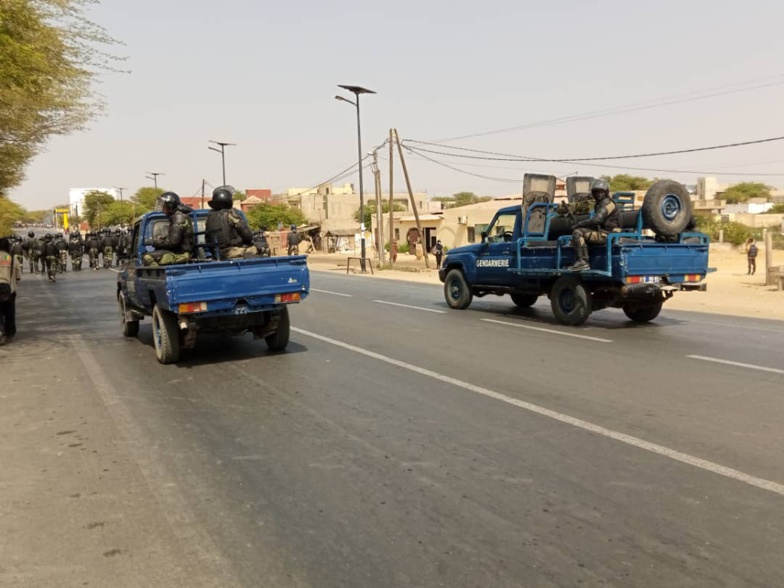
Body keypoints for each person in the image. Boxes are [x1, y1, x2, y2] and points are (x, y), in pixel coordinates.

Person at [568, 178, 619, 271]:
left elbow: (597, 220)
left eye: (601, 192)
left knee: (577, 233)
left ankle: (582, 262)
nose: (598, 194)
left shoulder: (607, 204)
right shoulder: (599, 204)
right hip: (606, 233)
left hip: (609, 235)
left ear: (606, 192)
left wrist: (579, 225)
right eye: (596, 192)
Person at [204, 186, 257, 259]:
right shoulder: (230, 214)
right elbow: (248, 236)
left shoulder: (209, 216)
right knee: (261, 248)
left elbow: (207, 238)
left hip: (215, 253)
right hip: (230, 252)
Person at [142, 192, 194, 266]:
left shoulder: (178, 217)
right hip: (178, 251)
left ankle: (160, 275)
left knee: (147, 257)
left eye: (164, 206)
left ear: (170, 206)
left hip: (182, 254)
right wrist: (163, 239)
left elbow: (172, 243)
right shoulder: (177, 215)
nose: (162, 208)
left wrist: (153, 242)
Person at [0, 237, 22, 344]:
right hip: (9, 290)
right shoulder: (11, 258)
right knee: (9, 313)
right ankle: (9, 333)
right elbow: (18, 276)